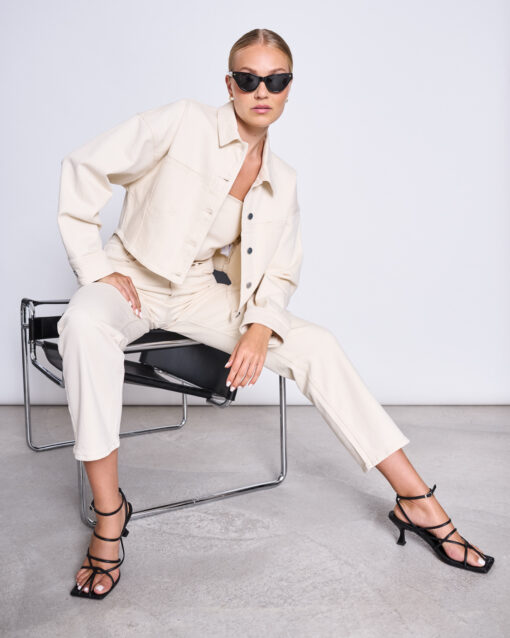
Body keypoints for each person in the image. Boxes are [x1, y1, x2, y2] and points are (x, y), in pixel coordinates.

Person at [56, 28, 494, 599]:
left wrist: (261, 325)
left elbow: (281, 270)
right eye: (248, 79)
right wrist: (95, 267)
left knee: (317, 344)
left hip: (198, 293)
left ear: (289, 88)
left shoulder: (282, 180)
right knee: (83, 323)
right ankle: (110, 514)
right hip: (131, 279)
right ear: (230, 84)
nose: (261, 91)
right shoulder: (183, 121)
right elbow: (84, 167)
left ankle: (416, 500)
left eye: (275, 80)